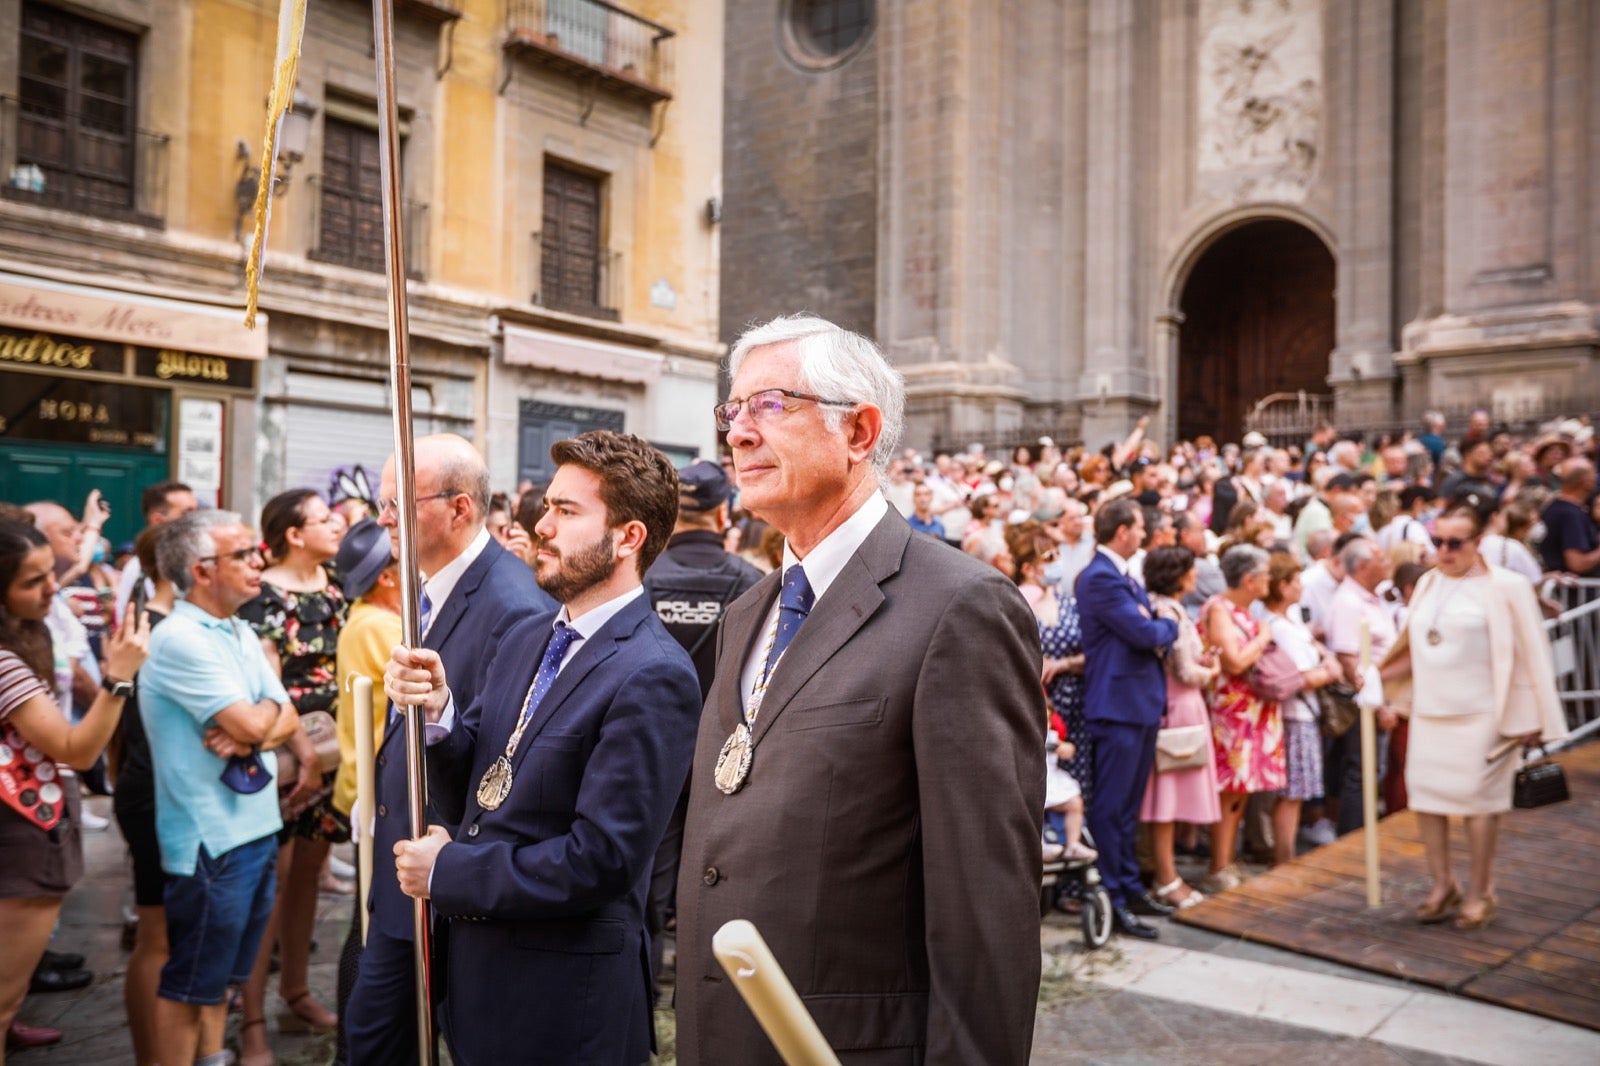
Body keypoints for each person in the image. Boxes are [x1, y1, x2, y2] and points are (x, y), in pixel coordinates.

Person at [675, 315, 1045, 1063]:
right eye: (731, 411)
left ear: (859, 430)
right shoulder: (749, 610)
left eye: (770, 405)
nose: (738, 434)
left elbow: (985, 913)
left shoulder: (959, 607)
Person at [383, 431, 701, 1065]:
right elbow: (479, 794)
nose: (541, 525)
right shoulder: (526, 635)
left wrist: (450, 872)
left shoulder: (653, 672)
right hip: (478, 978)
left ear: (628, 537)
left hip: (565, 1001)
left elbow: (602, 860)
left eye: (567, 511)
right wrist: (440, 717)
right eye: (546, 505)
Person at [344, 434, 553, 1066]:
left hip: (448, 873)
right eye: (380, 503)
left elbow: (502, 762)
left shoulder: (513, 604)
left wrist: (439, 716)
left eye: (397, 504)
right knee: (374, 1038)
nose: (381, 520)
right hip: (400, 860)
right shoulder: (426, 583)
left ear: (459, 509)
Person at [139, 510, 301, 1066]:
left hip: (252, 828)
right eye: (243, 555)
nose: (260, 563)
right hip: (211, 839)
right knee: (192, 985)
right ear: (202, 570)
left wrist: (256, 728)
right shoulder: (180, 639)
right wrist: (259, 726)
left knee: (220, 984)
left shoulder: (238, 629)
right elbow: (263, 723)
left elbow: (286, 718)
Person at [0, 520, 149, 1059]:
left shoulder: (25, 636)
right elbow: (77, 749)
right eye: (31, 581)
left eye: (50, 575)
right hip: (21, 829)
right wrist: (118, 678)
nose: (51, 590)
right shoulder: (5, 663)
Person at [1383, 507, 1567, 930]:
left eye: (1454, 543)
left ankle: (1481, 890)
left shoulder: (1507, 587)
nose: (1443, 551)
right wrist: (1376, 677)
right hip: (1432, 710)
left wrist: (1534, 714)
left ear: (1477, 542)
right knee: (1427, 799)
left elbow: (1530, 653)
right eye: (1438, 542)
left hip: (1487, 714)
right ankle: (1442, 883)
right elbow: (1412, 647)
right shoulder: (1428, 582)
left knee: (1480, 806)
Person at [235, 489, 348, 1063]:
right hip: (286, 754)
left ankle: (296, 991)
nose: (338, 525)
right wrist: (303, 751)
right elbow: (268, 684)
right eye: (325, 518)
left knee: (308, 873)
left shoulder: (335, 585)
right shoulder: (264, 598)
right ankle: (250, 1016)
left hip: (332, 756)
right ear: (293, 533)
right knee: (271, 884)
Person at [640, 458, 763, 986]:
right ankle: (709, 993)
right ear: (722, 514)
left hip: (652, 753)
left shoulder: (641, 578)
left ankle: (640, 993)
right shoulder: (756, 584)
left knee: (648, 883)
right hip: (729, 760)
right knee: (721, 881)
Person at [112, 525, 204, 1066]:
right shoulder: (159, 627)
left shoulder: (159, 621)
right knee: (158, 937)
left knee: (162, 935)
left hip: (155, 787)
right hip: (155, 792)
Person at [1077, 497, 1180, 939]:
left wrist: (1157, 624)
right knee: (1112, 806)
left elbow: (1149, 625)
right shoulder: (1100, 577)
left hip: (1136, 703)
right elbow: (1146, 631)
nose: (1144, 534)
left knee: (1128, 808)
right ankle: (1115, 897)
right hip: (1117, 705)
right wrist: (1168, 625)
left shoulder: (1120, 576)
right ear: (1122, 531)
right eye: (1139, 528)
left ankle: (1131, 887)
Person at [327, 519, 400, 1066]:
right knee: (367, 932)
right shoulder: (379, 626)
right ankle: (354, 1044)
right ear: (387, 579)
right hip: (373, 792)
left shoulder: (365, 618)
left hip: (364, 785)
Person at [1138, 545, 1220, 910]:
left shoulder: (1170, 608)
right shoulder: (1167, 610)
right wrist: (1213, 672)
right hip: (1178, 705)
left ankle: (1166, 873)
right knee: (1165, 800)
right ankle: (1165, 876)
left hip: (1181, 704)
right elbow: (1185, 671)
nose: (1196, 575)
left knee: (1170, 797)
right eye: (1190, 569)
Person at [1008, 522, 1094, 863]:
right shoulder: (1018, 600)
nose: (1057, 562)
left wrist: (1067, 663)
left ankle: (1074, 858)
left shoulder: (1065, 599)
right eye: (1049, 557)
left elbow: (1091, 647)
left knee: (1077, 781)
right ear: (1029, 566)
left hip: (1076, 696)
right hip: (1040, 704)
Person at [1199, 545, 1282, 892]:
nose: (1269, 581)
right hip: (1233, 712)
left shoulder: (1242, 610)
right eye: (1265, 575)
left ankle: (1227, 860)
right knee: (1229, 788)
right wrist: (1263, 637)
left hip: (1252, 711)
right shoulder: (1219, 609)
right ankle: (1219, 864)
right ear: (1249, 579)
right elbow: (1233, 662)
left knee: (1241, 790)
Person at [1261, 553, 1344, 866]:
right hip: (1296, 715)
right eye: (1295, 581)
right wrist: (1328, 671)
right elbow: (1298, 677)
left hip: (1300, 714)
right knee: (1292, 792)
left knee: (1295, 791)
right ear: (1283, 587)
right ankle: (1284, 857)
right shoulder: (1280, 627)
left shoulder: (1285, 621)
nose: (1300, 587)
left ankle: (1285, 854)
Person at [1325, 536, 1399, 835]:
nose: (1388, 563)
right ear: (1365, 565)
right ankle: (1354, 835)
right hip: (1364, 701)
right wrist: (1376, 704)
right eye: (1382, 558)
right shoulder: (1349, 602)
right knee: (1364, 770)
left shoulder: (1372, 597)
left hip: (1381, 694)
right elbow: (1348, 660)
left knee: (1372, 770)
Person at [114, 481, 199, 623]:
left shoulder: (200, 561)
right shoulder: (138, 568)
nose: (196, 520)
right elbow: (124, 619)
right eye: (186, 513)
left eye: (197, 512)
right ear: (158, 520)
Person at [1539, 457, 1600, 577]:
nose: (1595, 479)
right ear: (1585, 482)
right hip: (1576, 591)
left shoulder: (1556, 507)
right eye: (1593, 476)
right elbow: (1577, 563)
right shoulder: (1570, 515)